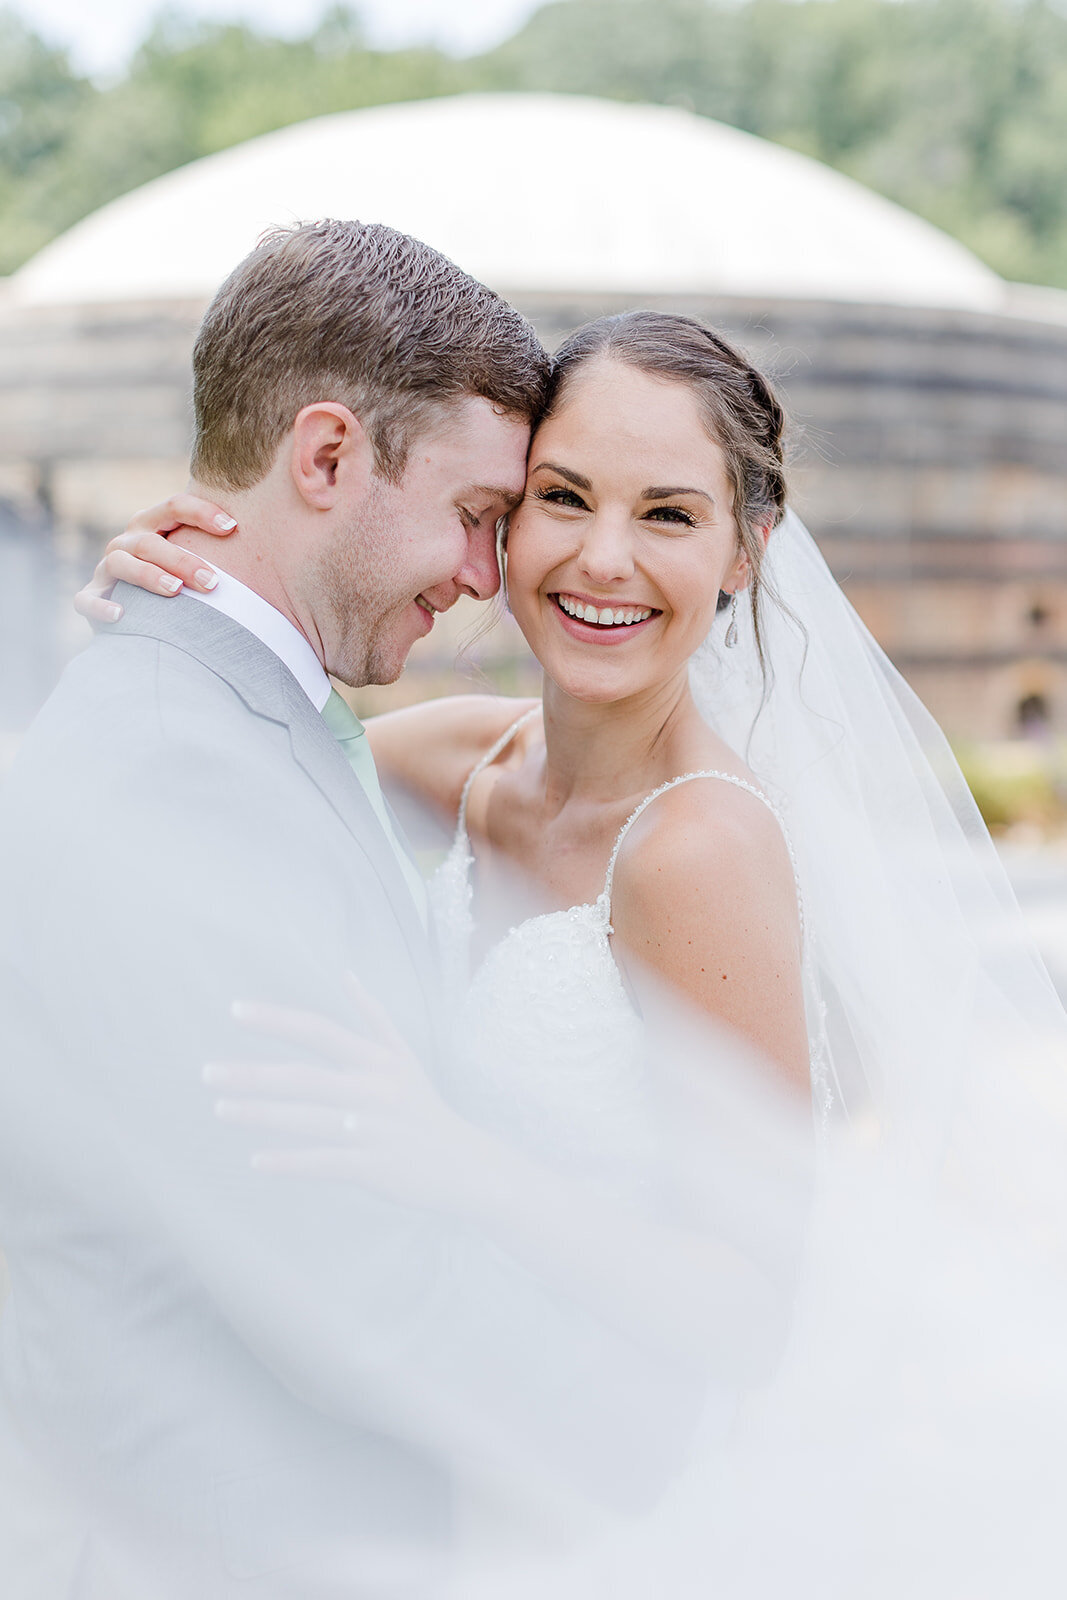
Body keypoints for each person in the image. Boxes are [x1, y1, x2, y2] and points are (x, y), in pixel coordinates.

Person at [63, 303, 1067, 1592]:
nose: (603, 559)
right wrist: (169, 608)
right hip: (447, 1452)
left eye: (668, 514)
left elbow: (748, 1311)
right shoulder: (466, 763)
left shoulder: (695, 851)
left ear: (746, 551)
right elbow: (255, 743)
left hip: (625, 1509)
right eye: (562, 496)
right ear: (500, 523)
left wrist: (452, 1158)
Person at [1, 224, 728, 1600]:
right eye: (477, 514)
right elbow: (335, 1267)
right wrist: (646, 1455)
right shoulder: (175, 752)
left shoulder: (254, 716)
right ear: (325, 458)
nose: (483, 574)